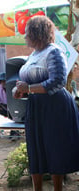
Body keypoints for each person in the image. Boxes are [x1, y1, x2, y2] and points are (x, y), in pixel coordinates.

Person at [13, 15, 79, 191]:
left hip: (55, 107)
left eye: (27, 33)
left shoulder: (54, 51)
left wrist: (29, 88)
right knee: (36, 149)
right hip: (36, 107)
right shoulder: (33, 55)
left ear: (36, 33)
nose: (25, 36)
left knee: (55, 149)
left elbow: (58, 81)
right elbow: (25, 81)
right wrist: (18, 90)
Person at [0, 72, 19, 141]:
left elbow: (17, 101)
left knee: (15, 111)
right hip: (3, 108)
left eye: (5, 81)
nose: (4, 83)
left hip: (12, 108)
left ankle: (14, 132)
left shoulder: (13, 88)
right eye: (2, 81)